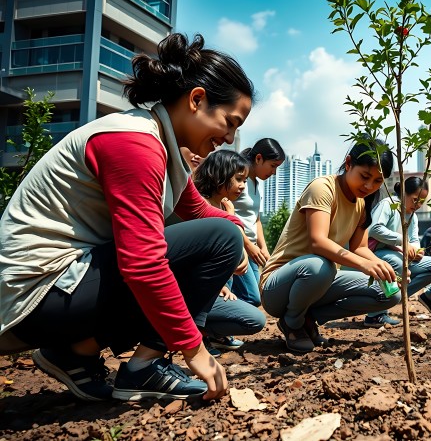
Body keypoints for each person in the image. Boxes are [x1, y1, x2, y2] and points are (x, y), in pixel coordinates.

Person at [0, 33, 254, 401]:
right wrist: (193, 348)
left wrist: (238, 234)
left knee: (222, 237)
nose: (230, 138)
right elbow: (143, 262)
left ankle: (74, 355)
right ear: (197, 99)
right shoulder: (135, 143)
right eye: (229, 122)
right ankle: (144, 368)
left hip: (62, 289)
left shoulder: (161, 146)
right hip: (35, 295)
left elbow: (198, 210)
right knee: (217, 242)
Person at [260, 138, 401, 353]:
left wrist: (385, 270)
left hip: (319, 280)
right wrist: (364, 266)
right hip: (279, 286)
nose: (369, 186)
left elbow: (360, 248)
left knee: (390, 293)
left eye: (377, 181)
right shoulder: (323, 188)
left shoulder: (362, 202)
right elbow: (318, 242)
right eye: (364, 176)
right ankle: (292, 323)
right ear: (348, 163)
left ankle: (310, 318)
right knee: (320, 265)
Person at [192, 150, 267, 355]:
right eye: (238, 179)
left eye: (244, 180)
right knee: (253, 316)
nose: (243, 185)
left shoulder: (224, 205)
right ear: (219, 176)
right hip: (198, 288)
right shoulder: (201, 206)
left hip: (216, 285)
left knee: (254, 316)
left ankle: (211, 333)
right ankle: (199, 336)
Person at [365, 177, 431, 325]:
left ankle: (428, 297)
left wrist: (418, 251)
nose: (418, 205)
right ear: (404, 193)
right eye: (415, 200)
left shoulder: (412, 216)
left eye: (421, 202)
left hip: (400, 256)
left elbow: (414, 241)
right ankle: (375, 314)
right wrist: (403, 241)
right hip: (375, 254)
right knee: (396, 261)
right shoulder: (389, 204)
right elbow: (374, 229)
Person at [232, 138, 286, 306]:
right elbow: (226, 214)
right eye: (273, 166)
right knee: (251, 297)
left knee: (252, 297)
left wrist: (263, 248)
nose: (274, 173)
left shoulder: (256, 184)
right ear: (258, 158)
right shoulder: (239, 179)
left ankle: (224, 330)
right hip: (238, 245)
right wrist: (248, 246)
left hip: (252, 249)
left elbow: (256, 219)